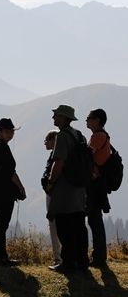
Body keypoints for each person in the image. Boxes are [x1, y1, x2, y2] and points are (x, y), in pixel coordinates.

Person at [46, 105, 89, 272]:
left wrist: (51, 182)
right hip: (79, 188)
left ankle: (68, 263)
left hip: (65, 188)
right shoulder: (79, 136)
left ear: (64, 118)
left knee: (64, 226)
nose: (54, 118)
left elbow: (59, 162)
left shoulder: (62, 137)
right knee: (79, 225)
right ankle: (82, 261)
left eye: (56, 115)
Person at [0, 118, 26, 266]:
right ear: (1, 132)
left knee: (0, 225)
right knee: (1, 225)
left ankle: (0, 257)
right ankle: (0, 258)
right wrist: (21, 187)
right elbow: (10, 173)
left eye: (11, 131)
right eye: (7, 131)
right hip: (4, 193)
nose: (10, 134)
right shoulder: (1, 148)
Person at [86, 108, 112, 268]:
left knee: (94, 220)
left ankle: (99, 257)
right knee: (95, 220)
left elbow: (86, 155)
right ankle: (99, 256)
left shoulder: (98, 136)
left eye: (89, 118)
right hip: (98, 183)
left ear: (97, 120)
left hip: (94, 184)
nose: (86, 120)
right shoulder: (102, 135)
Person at [41, 130, 62, 266]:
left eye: (46, 140)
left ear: (54, 141)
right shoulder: (54, 155)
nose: (45, 143)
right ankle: (61, 257)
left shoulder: (56, 156)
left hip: (54, 193)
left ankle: (58, 258)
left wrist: (49, 185)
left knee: (53, 224)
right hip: (57, 193)